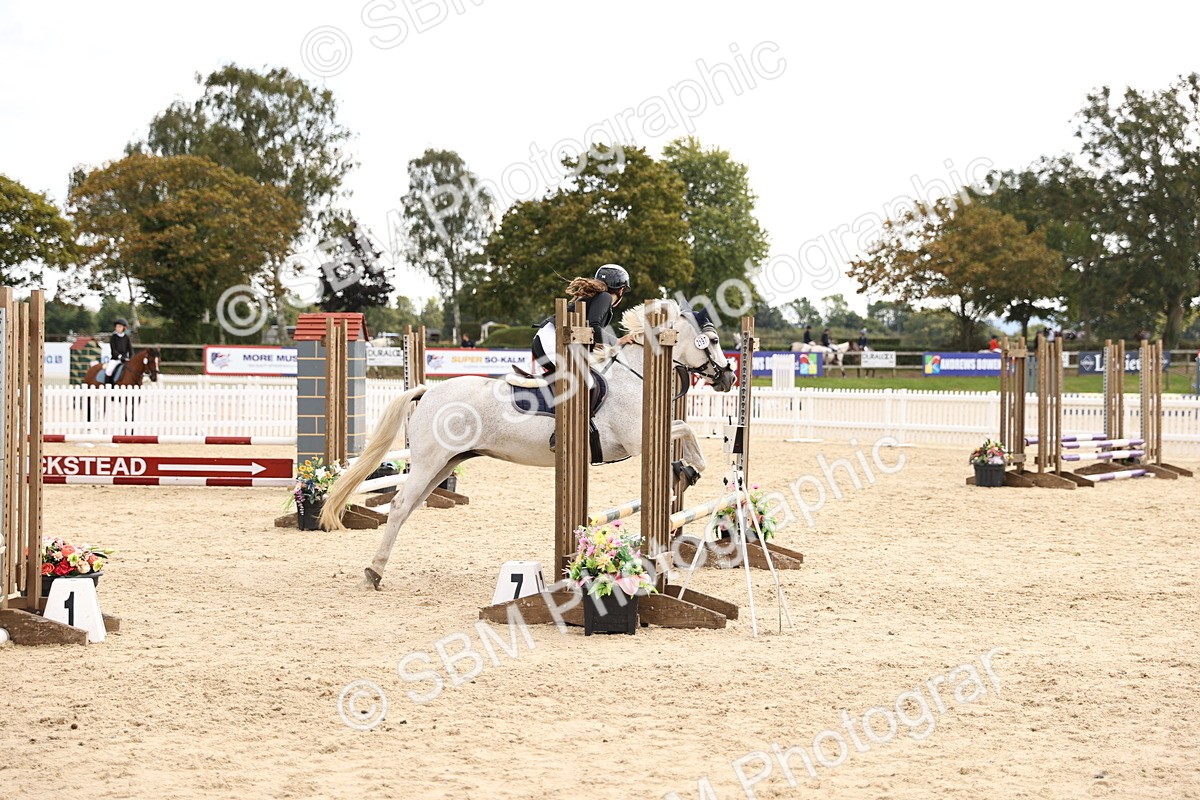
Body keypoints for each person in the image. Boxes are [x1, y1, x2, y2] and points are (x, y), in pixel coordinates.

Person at [532, 264, 632, 374]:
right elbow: (593, 326)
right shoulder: (605, 297)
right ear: (621, 290)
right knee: (581, 377)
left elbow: (586, 330)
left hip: (547, 339)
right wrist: (618, 341)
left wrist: (595, 344)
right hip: (552, 340)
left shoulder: (597, 297)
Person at [104, 318, 133, 383]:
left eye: (120, 327)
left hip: (125, 359)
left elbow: (130, 350)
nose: (118, 328)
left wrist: (131, 358)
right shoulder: (113, 337)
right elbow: (113, 350)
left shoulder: (127, 337)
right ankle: (108, 385)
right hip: (115, 359)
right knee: (108, 371)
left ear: (124, 328)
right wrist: (120, 357)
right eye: (117, 327)